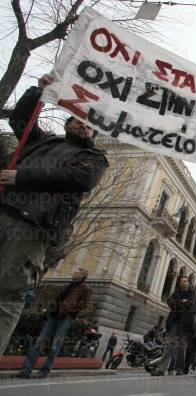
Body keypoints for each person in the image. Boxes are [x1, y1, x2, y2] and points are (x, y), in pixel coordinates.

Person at [0, 75, 108, 355]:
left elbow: (78, 179)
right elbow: (21, 121)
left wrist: (20, 176)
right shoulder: (42, 142)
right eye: (78, 120)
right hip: (4, 211)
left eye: (89, 125)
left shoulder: (94, 159)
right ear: (67, 122)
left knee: (8, 295)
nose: (83, 125)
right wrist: (39, 90)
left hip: (33, 228)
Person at [17, 268, 91, 378]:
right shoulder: (68, 285)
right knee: (40, 342)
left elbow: (84, 304)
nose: (73, 273)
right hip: (53, 316)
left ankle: (45, 371)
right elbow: (57, 299)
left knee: (55, 345)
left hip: (66, 318)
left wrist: (70, 311)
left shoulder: (85, 288)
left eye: (76, 272)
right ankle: (26, 369)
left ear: (82, 276)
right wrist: (48, 312)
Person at [152, 275, 196, 376]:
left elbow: (190, 305)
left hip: (185, 324)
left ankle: (179, 369)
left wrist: (177, 304)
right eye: (182, 281)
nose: (183, 283)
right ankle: (161, 370)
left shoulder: (192, 294)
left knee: (181, 346)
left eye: (185, 281)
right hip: (173, 323)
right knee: (168, 346)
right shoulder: (175, 293)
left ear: (188, 283)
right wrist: (182, 303)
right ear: (180, 283)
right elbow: (170, 302)